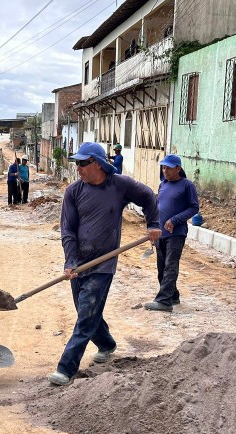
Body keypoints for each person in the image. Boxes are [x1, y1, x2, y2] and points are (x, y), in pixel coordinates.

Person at [49, 142, 161, 387]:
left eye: (82, 163)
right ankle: (107, 344)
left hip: (104, 263)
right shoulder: (73, 191)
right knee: (87, 311)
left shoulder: (120, 185)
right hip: (79, 262)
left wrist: (153, 224)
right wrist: (70, 260)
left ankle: (66, 368)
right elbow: (68, 230)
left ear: (98, 164)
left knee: (86, 315)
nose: (78, 167)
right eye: (76, 163)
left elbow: (148, 197)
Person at [144, 154, 199, 312]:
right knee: (162, 267)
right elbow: (158, 206)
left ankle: (164, 301)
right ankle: (173, 295)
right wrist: (152, 228)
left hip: (176, 233)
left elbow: (194, 207)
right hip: (160, 233)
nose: (165, 170)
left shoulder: (187, 185)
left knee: (170, 265)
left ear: (178, 168)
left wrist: (175, 220)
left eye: (168, 168)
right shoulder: (163, 184)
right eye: (163, 167)